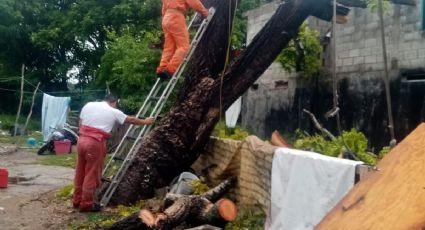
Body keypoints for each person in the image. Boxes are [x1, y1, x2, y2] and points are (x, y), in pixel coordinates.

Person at [72, 94, 154, 212]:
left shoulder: (89, 105)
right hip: (95, 142)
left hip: (81, 140)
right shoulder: (112, 111)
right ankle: (86, 205)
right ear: (114, 102)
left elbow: (80, 122)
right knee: (91, 174)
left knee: (80, 171)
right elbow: (130, 119)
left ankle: (76, 200)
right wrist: (145, 121)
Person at [156, 0, 209, 80]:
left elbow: (163, 9)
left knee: (168, 48)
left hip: (166, 18)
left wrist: (167, 18)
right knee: (184, 47)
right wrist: (205, 13)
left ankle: (162, 68)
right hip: (176, 17)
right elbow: (194, 3)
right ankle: (169, 70)